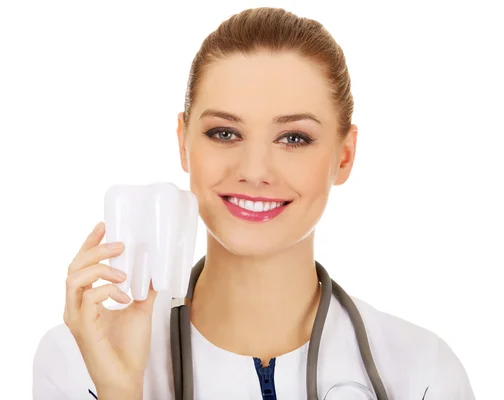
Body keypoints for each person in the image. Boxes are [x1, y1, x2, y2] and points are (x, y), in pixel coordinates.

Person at [32, 7, 475, 400]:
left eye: (294, 138)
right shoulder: (79, 360)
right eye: (224, 132)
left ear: (344, 156)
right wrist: (119, 392)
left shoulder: (422, 375)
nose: (255, 169)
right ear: (184, 144)